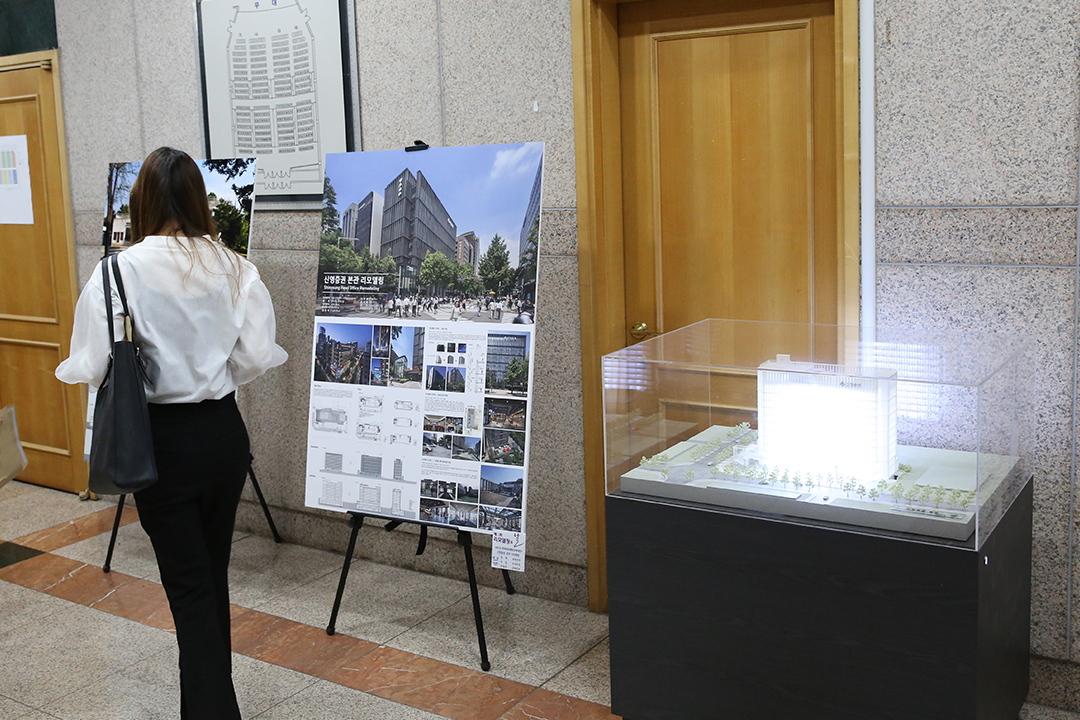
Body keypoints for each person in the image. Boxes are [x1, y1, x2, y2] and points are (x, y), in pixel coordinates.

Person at [55, 147, 288, 720]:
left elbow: (90, 364)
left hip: (159, 442)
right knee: (209, 574)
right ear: (197, 201)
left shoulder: (117, 271)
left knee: (188, 586)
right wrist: (211, 373)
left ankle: (211, 712)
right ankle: (212, 703)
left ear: (141, 202)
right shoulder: (236, 266)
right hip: (223, 435)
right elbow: (257, 354)